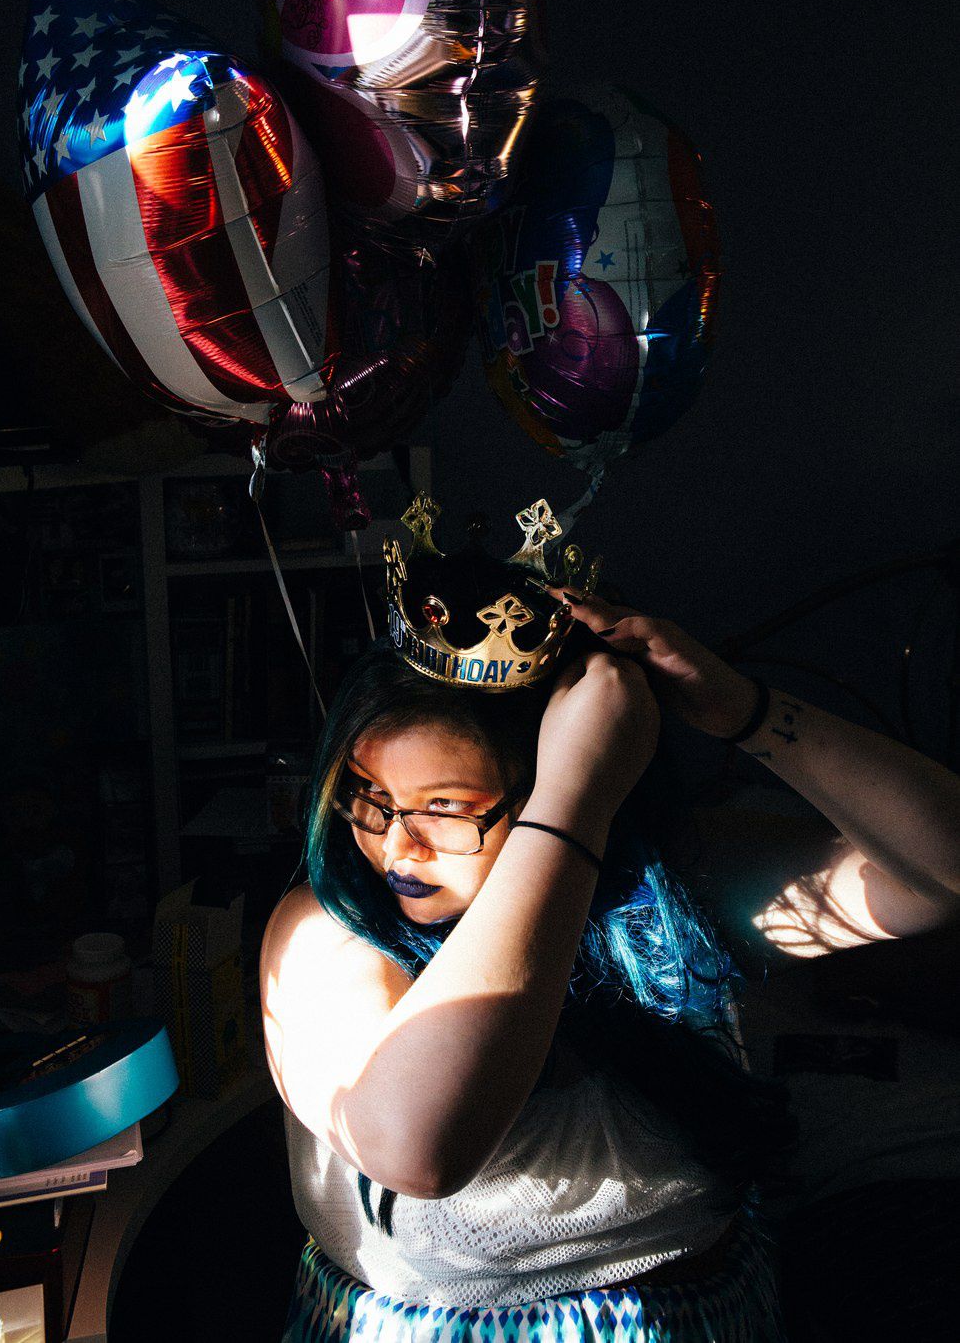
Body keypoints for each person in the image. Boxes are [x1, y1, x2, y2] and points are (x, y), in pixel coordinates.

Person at [260, 550, 960, 1343]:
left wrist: (744, 710)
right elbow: (420, 1151)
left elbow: (943, 876)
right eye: (369, 797)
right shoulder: (323, 930)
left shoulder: (665, 889)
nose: (396, 845)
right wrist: (570, 801)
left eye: (446, 807)